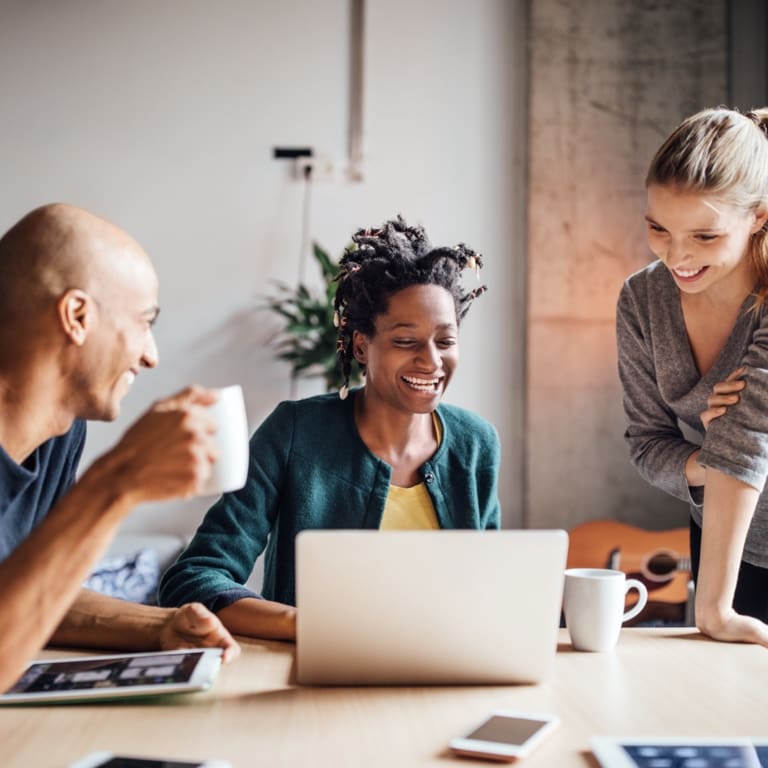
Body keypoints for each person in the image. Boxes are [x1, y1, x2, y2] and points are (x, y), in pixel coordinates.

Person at [159, 215, 501, 640]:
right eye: (406, 341)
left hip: (445, 671)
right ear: (361, 345)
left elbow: (488, 587)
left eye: (445, 341)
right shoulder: (295, 433)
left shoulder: (475, 443)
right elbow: (193, 578)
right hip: (313, 678)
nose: (432, 361)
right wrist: (307, 626)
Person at [0, 202, 247, 692]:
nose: (151, 356)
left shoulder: (60, 434)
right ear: (76, 315)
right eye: (143, 322)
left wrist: (158, 626)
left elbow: (33, 589)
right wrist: (117, 481)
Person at [617, 107, 768, 646]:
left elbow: (746, 435)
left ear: (758, 216)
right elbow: (645, 444)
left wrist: (715, 610)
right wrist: (704, 459)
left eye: (704, 237)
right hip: (729, 548)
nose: (677, 255)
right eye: (659, 228)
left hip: (721, 582)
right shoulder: (642, 300)